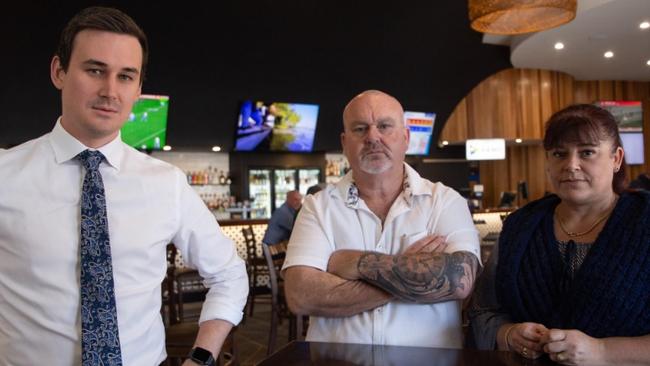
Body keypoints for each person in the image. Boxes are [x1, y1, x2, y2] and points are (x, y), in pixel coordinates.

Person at [0, 7, 248, 366]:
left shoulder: (166, 183)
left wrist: (201, 357)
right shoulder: (6, 174)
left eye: (126, 76)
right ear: (59, 71)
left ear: (138, 89)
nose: (110, 90)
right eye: (95, 70)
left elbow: (228, 273)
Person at [283, 90, 481, 348]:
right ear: (345, 143)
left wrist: (353, 263)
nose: (373, 137)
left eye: (385, 126)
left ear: (406, 137)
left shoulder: (445, 201)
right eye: (360, 129)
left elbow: (459, 280)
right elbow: (301, 295)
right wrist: (412, 271)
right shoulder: (317, 207)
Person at [468, 104, 650, 365]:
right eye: (559, 153)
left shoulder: (644, 222)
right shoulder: (520, 227)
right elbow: (484, 309)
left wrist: (602, 351)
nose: (571, 165)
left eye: (587, 152)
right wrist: (507, 334)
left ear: (616, 159)